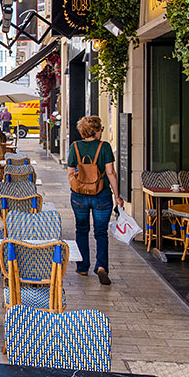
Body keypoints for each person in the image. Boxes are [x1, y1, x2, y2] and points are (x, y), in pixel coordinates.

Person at [67, 116, 123, 285]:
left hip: (79, 196)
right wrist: (118, 196)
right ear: (97, 130)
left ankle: (82, 266)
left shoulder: (74, 147)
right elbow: (111, 173)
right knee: (101, 233)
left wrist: (78, 185)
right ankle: (101, 267)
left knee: (81, 230)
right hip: (102, 196)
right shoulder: (104, 147)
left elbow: (70, 173)